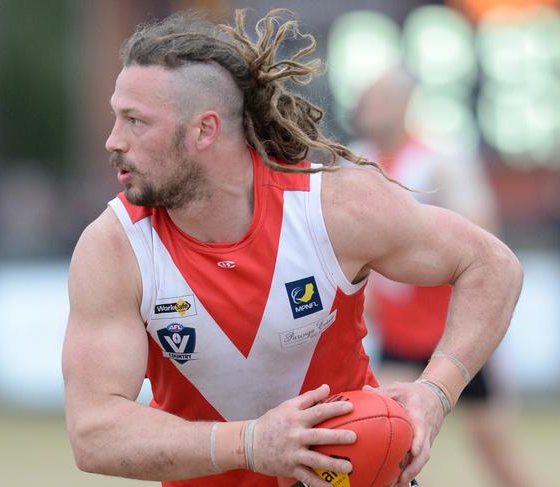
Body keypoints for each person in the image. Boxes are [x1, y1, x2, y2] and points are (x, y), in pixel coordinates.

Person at [62, 9, 522, 487]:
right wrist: (251, 444)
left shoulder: (332, 208)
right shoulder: (115, 247)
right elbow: (94, 432)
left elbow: (492, 265)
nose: (113, 140)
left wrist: (435, 393)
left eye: (135, 121)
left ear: (204, 130)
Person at [354, 68, 534, 487]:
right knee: (385, 455)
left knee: (495, 452)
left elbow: (486, 242)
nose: (368, 108)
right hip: (398, 337)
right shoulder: (354, 161)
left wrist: (419, 238)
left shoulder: (437, 163)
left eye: (378, 99)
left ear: (403, 105)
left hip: (452, 336)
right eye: (366, 99)